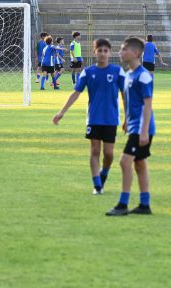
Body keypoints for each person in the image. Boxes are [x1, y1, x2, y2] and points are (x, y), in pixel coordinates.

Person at [53, 38, 126, 194]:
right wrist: (61, 112)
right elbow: (76, 93)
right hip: (93, 118)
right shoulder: (88, 72)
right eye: (99, 50)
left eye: (105, 51)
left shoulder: (117, 71)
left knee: (109, 154)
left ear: (110, 53)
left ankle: (104, 173)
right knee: (95, 151)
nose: (102, 53)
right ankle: (97, 185)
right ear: (94, 52)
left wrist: (128, 118)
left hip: (111, 118)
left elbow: (125, 95)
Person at [106, 36, 156, 216]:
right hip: (134, 125)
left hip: (142, 127)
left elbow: (147, 105)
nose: (120, 52)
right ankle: (145, 204)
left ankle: (123, 204)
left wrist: (143, 132)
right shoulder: (128, 74)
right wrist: (127, 120)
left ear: (135, 53)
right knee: (139, 164)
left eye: (123, 49)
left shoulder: (143, 75)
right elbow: (129, 101)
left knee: (125, 161)